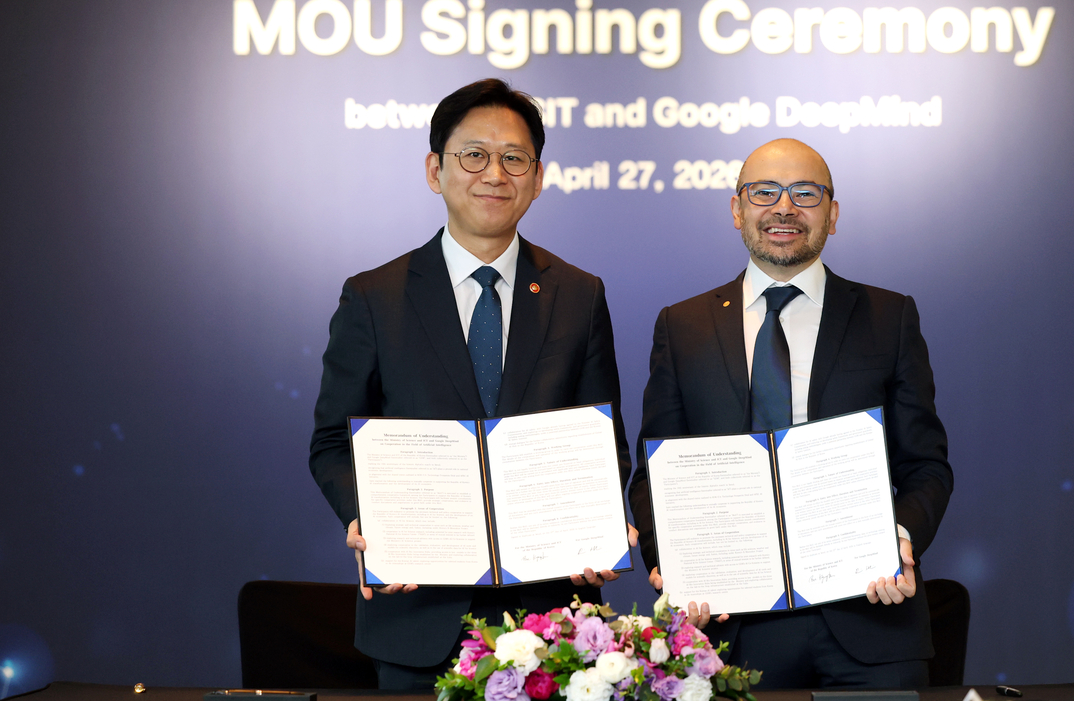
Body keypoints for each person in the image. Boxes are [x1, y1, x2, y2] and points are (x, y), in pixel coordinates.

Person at [309, 79, 632, 689]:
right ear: (435, 170)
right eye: (473, 155)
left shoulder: (579, 295)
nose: (494, 174)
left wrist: (600, 522)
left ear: (537, 179)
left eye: (514, 159)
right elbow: (332, 442)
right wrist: (366, 515)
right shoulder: (374, 297)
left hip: (550, 627)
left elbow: (603, 441)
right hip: (418, 619)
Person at [628, 138, 952, 690]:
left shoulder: (889, 316)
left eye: (805, 193)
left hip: (871, 621)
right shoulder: (682, 327)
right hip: (731, 631)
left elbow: (926, 465)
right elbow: (654, 474)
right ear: (737, 210)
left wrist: (897, 537)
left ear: (833, 213)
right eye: (764, 192)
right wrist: (676, 563)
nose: (784, 208)